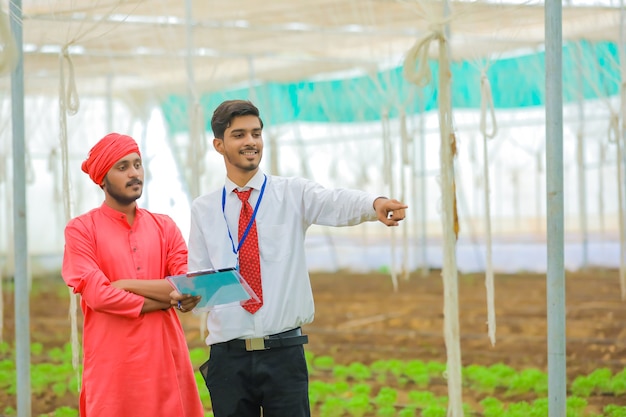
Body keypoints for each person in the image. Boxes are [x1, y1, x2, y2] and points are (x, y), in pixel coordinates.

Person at [182, 99, 408, 417]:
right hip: (227, 358)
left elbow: (334, 202)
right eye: (239, 135)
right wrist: (190, 297)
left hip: (284, 355)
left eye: (256, 133)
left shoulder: (291, 193)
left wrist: (374, 204)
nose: (250, 141)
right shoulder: (204, 209)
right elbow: (200, 278)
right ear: (219, 144)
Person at [61, 132, 204, 417]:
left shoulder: (164, 226)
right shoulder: (81, 230)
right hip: (112, 367)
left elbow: (187, 284)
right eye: (122, 167)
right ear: (103, 178)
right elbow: (99, 296)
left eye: (137, 164)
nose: (134, 173)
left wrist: (126, 285)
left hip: (165, 360)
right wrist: (168, 299)